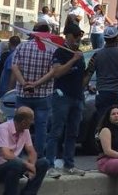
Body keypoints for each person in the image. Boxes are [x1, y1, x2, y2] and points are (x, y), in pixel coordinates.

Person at [11, 22, 63, 156]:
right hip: (43, 95)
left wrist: (24, 84)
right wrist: (36, 84)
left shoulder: (22, 46)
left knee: (19, 124)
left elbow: (15, 67)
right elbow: (53, 71)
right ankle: (38, 155)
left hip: (23, 94)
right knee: (41, 127)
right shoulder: (52, 49)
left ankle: (17, 152)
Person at [45, 22, 87, 178]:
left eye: (80, 36)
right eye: (75, 36)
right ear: (68, 36)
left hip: (78, 97)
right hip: (62, 96)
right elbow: (57, 73)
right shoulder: (59, 52)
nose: (78, 39)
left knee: (73, 133)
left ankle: (69, 164)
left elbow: (82, 78)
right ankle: (49, 165)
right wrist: (72, 60)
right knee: (56, 131)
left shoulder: (80, 53)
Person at [0, 107, 49, 195]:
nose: (32, 123)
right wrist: (27, 164)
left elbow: (31, 151)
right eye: (30, 121)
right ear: (23, 122)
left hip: (15, 168)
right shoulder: (3, 128)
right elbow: (6, 154)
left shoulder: (25, 130)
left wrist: (32, 167)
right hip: (1, 168)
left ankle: (28, 193)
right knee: (15, 163)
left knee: (43, 163)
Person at [84, 26, 118, 119]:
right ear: (117, 37)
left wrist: (87, 86)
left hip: (103, 92)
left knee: (102, 121)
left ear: (105, 38)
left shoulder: (97, 55)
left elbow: (89, 73)